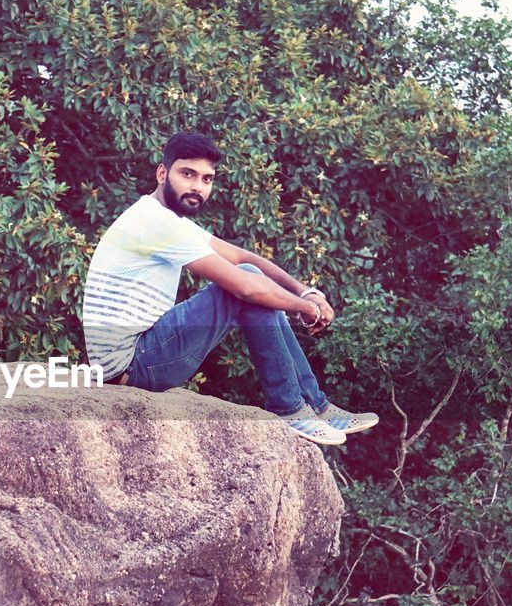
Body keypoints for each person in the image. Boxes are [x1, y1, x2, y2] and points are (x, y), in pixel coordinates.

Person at [82, 131, 378, 445]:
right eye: (188, 174)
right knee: (246, 288)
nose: (198, 187)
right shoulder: (155, 223)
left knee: (250, 278)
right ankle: (290, 407)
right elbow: (246, 286)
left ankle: (313, 406)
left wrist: (305, 292)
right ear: (162, 173)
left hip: (138, 356)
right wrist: (306, 309)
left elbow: (241, 255)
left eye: (207, 179)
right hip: (130, 367)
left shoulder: (164, 218)